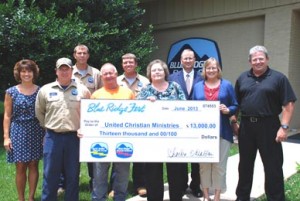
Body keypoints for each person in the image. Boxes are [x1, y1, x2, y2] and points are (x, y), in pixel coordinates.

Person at [233, 45, 296, 201]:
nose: (258, 61)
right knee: (245, 166)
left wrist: (284, 127)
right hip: (247, 127)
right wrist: (234, 121)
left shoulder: (279, 78)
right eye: (254, 59)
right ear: (250, 61)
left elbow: (289, 104)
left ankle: (276, 198)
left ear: (267, 59)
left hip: (270, 127)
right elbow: (236, 103)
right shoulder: (242, 78)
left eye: (261, 58)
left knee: (273, 166)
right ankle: (242, 197)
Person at [35, 58, 91, 201]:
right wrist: (48, 126)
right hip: (53, 137)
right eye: (61, 69)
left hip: (74, 138)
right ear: (56, 71)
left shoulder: (83, 90)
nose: (64, 71)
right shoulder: (45, 90)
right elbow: (40, 112)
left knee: (73, 174)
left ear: (72, 71)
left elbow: (89, 113)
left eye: (67, 68)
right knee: (50, 173)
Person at [137, 59, 186, 201]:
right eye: (154, 70)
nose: (157, 72)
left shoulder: (175, 87)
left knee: (176, 172)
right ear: (149, 74)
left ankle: (176, 198)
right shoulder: (145, 90)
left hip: (174, 137)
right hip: (153, 139)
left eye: (159, 69)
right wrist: (146, 104)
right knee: (153, 173)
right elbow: (137, 112)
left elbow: (185, 108)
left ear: (165, 72)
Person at [193, 57, 238, 201]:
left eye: (214, 67)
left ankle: (217, 196)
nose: (211, 70)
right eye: (208, 68)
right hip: (202, 133)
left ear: (218, 69)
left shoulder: (227, 85)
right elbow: (192, 107)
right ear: (204, 70)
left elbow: (235, 105)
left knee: (220, 165)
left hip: (222, 131)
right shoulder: (198, 86)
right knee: (204, 166)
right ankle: (206, 195)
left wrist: (227, 110)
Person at [91, 63, 134, 201]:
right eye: (105, 74)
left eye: (111, 73)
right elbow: (90, 119)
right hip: (101, 140)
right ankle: (98, 198)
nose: (109, 76)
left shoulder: (128, 93)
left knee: (122, 172)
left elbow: (136, 115)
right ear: (101, 76)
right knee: (99, 173)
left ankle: (120, 197)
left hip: (123, 139)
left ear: (116, 74)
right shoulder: (96, 95)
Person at [3, 59, 44, 201]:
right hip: (18, 130)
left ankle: (31, 197)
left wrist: (45, 135)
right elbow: (7, 115)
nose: (27, 74)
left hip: (36, 130)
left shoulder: (40, 91)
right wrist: (6, 137)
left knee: (34, 164)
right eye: (23, 71)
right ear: (19, 73)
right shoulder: (11, 92)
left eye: (29, 71)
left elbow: (44, 114)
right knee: (20, 166)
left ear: (34, 73)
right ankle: (21, 198)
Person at [168, 48, 203, 198]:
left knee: (196, 155)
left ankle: (196, 185)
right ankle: (181, 185)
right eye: (185, 58)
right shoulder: (171, 77)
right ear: (181, 61)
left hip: (197, 122)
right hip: (179, 122)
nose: (188, 61)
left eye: (191, 58)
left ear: (195, 60)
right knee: (180, 154)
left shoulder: (203, 77)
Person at [117, 53, 149, 197]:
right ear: (122, 65)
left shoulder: (146, 81)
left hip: (140, 124)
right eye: (125, 62)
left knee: (140, 156)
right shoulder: (115, 81)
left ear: (136, 64)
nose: (128, 64)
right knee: (118, 155)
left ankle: (140, 184)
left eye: (131, 62)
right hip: (120, 124)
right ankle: (116, 186)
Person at [72, 44, 102, 191]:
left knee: (92, 152)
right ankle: (67, 183)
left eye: (84, 53)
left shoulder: (96, 73)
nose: (82, 55)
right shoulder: (67, 71)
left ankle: (93, 182)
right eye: (79, 53)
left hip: (91, 119)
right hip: (73, 117)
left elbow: (101, 94)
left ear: (88, 55)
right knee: (71, 152)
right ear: (74, 55)